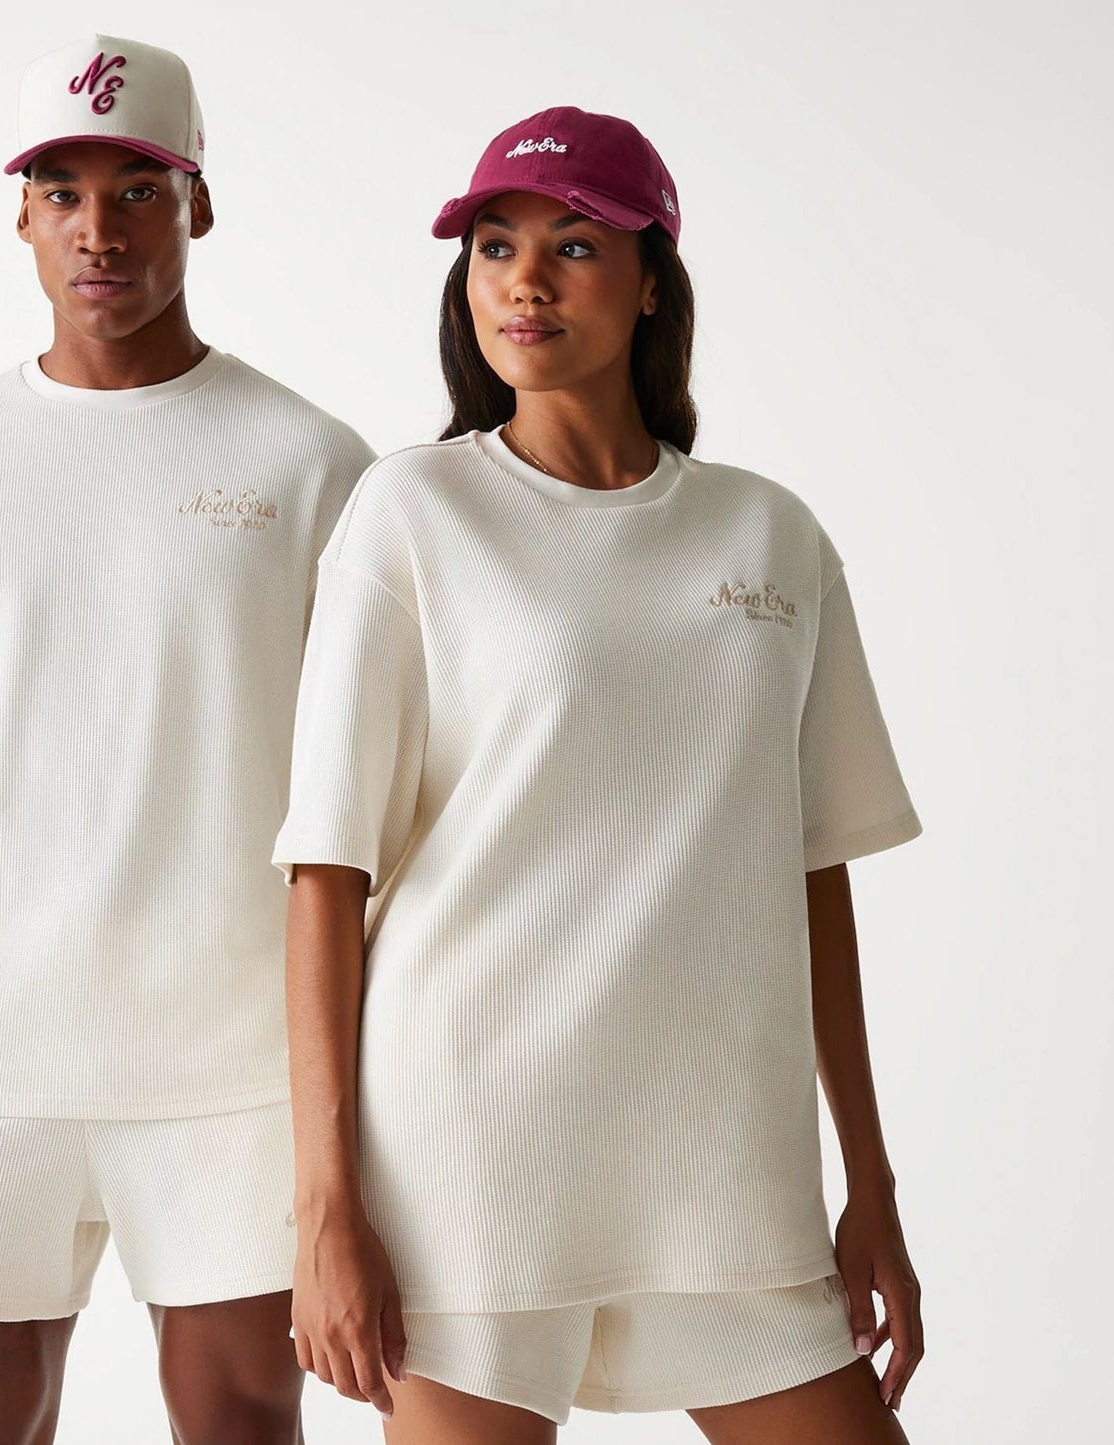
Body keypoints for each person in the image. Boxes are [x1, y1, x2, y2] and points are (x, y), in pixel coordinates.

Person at [271, 105, 925, 1443]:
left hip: (723, 1163)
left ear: (651, 284)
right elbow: (324, 872)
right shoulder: (413, 512)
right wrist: (326, 1207)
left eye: (573, 245)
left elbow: (811, 875)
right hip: (471, 1157)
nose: (525, 280)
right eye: (494, 246)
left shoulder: (770, 537)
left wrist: (871, 1183)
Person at [0, 34, 374, 1445]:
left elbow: (372, 794)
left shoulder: (311, 464)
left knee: (240, 1419)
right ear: (23, 217)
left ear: (199, 206)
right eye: (62, 192)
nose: (98, 229)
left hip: (233, 1063)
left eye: (138, 191)